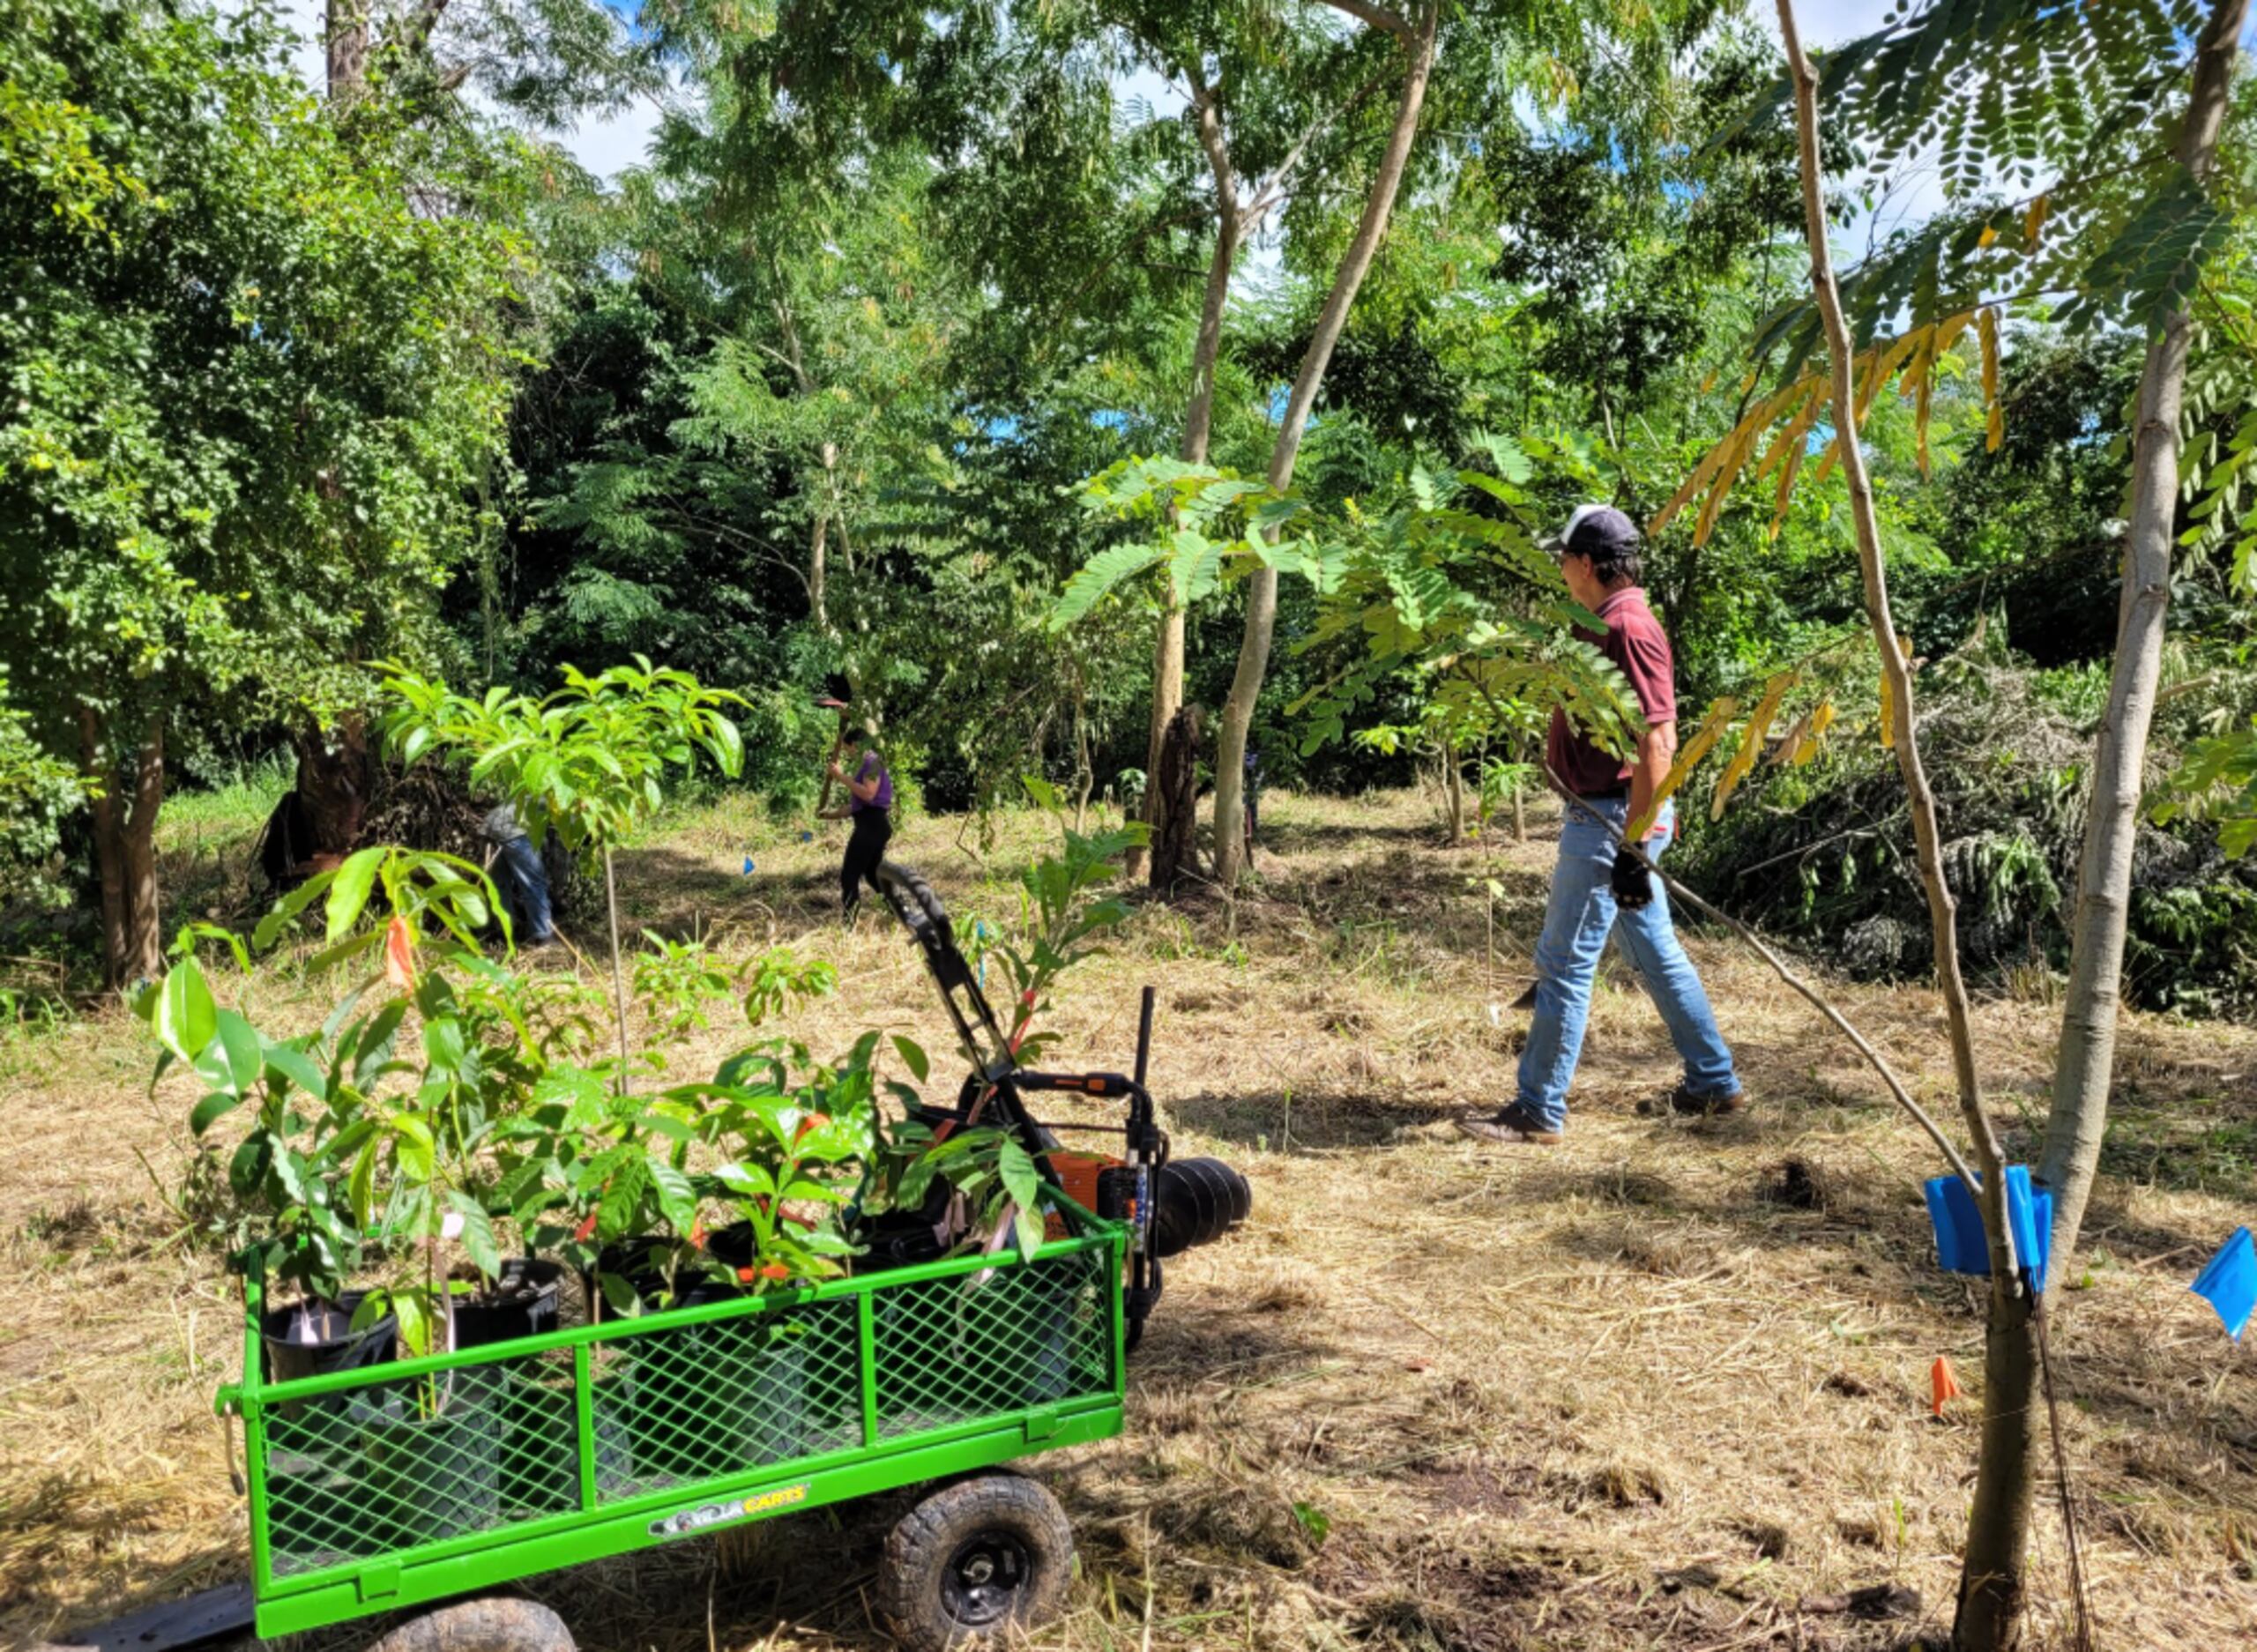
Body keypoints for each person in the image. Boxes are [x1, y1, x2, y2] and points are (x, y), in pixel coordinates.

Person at [1457, 504, 1742, 1146]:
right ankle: (1713, 1082)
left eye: (1562, 558)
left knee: (1563, 962)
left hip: (1612, 819)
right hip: (1615, 816)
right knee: (1654, 952)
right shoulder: (1604, 622)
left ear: (1587, 563)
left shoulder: (1628, 627)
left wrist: (1634, 849)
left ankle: (1538, 1108)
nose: (1558, 569)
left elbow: (1657, 743)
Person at [823, 725, 892, 921]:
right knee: (872, 874)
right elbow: (855, 807)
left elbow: (869, 795)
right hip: (872, 825)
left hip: (872, 826)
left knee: (849, 875)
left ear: (856, 745)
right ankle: (900, 911)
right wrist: (829, 815)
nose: (848, 754)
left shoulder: (874, 763)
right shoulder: (867, 766)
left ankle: (848, 924)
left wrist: (841, 777)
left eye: (847, 749)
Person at [481, 802, 557, 949]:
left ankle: (504, 935)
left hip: (491, 825)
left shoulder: (537, 790)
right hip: (514, 830)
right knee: (534, 884)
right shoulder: (568, 805)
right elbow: (559, 858)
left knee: (500, 887)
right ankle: (544, 937)